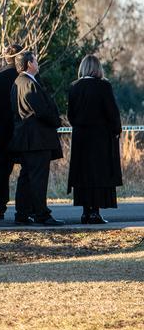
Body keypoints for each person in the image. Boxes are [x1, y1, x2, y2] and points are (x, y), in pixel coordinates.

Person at [67, 54, 123, 224]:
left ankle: (85, 212)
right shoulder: (103, 86)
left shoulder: (74, 87)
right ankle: (95, 213)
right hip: (100, 137)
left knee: (83, 174)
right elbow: (112, 112)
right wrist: (116, 130)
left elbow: (70, 115)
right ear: (97, 68)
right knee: (98, 175)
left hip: (80, 138)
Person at [10, 51, 63, 226]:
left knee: (26, 177)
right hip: (36, 139)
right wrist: (56, 121)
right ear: (29, 64)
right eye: (35, 60)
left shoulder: (18, 82)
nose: (38, 63)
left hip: (26, 139)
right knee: (38, 178)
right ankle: (41, 214)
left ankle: (22, 213)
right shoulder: (28, 84)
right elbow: (41, 110)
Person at [0, 44, 22, 219]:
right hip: (22, 132)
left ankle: (0, 208)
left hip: (2, 132)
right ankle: (25, 208)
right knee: (28, 171)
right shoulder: (25, 77)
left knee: (3, 173)